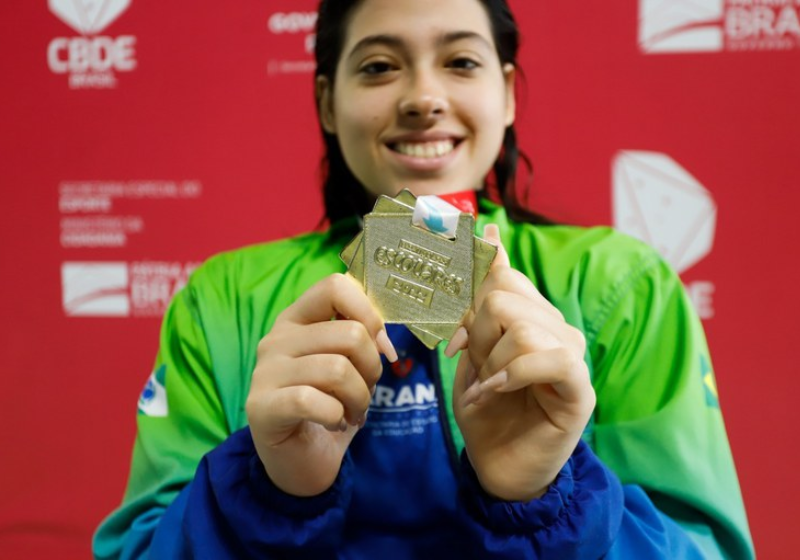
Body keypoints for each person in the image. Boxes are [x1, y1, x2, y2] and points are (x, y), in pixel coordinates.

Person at [93, 0, 755, 558]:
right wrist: (270, 487)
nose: (423, 98)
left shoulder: (620, 282)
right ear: (327, 100)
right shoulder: (223, 299)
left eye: (461, 62)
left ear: (509, 91)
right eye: (379, 66)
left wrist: (544, 495)